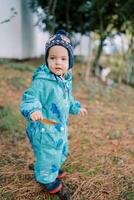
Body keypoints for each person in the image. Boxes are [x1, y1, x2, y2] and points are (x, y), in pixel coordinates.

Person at [20, 29, 87, 195]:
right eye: (52, 58)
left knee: (60, 149)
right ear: (47, 60)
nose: (58, 62)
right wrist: (34, 109)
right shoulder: (42, 81)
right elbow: (30, 97)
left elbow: (68, 100)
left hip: (58, 128)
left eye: (63, 59)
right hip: (44, 130)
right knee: (47, 154)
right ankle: (46, 179)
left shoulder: (64, 80)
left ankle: (53, 167)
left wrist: (76, 107)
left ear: (70, 62)